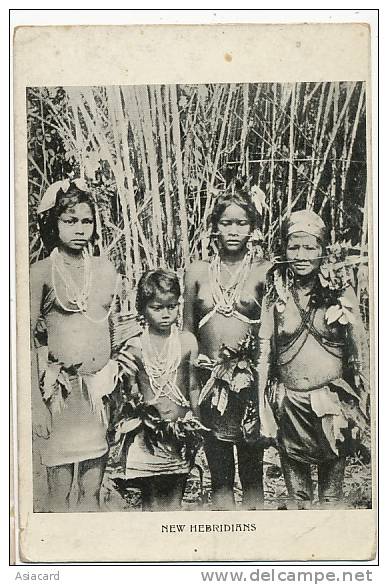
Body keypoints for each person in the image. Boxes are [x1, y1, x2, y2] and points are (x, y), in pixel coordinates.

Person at [258, 210, 369, 509]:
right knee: (299, 499)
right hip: (289, 404)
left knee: (331, 497)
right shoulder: (276, 292)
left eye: (310, 247)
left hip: (333, 405)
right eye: (294, 246)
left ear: (323, 250)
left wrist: (362, 405)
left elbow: (360, 353)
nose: (301, 255)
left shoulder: (340, 291)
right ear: (283, 249)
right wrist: (263, 408)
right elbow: (264, 355)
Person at [30, 179, 119, 512]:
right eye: (70, 221)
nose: (80, 229)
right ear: (53, 223)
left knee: (91, 492)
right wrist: (37, 405)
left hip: (97, 393)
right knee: (59, 492)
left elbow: (108, 327)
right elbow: (24, 342)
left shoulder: (104, 269)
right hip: (60, 395)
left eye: (86, 221)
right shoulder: (40, 273)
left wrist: (116, 387)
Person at [183, 186, 271, 510]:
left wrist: (264, 392)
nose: (233, 230)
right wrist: (189, 394)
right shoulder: (197, 272)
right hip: (209, 390)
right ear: (214, 227)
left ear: (253, 228)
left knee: (252, 475)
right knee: (220, 476)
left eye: (241, 223)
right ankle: (226, 545)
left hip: (249, 390)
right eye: (226, 222)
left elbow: (270, 338)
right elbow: (186, 335)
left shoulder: (263, 271)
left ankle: (256, 547)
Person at [115, 270, 204, 512]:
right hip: (148, 436)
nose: (166, 314)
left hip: (180, 434)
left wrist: (197, 422)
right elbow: (130, 394)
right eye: (157, 307)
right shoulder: (134, 346)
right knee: (151, 502)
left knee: (175, 497)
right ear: (142, 309)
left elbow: (193, 386)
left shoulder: (187, 342)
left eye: (172, 307)